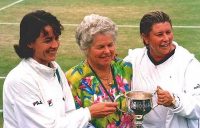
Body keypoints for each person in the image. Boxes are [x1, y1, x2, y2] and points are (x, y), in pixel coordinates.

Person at [3, 10, 118, 128]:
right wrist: (89, 113)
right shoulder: (20, 80)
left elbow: (70, 114)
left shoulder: (55, 68)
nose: (55, 45)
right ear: (29, 43)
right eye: (48, 40)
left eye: (56, 38)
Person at [124, 11, 200, 128]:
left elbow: (198, 107)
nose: (166, 38)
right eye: (159, 34)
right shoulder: (133, 60)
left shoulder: (189, 64)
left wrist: (174, 101)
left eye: (168, 32)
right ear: (145, 38)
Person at [66, 14, 134, 128]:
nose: (107, 51)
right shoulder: (73, 79)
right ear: (86, 48)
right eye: (101, 47)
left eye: (110, 45)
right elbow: (71, 120)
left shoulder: (126, 68)